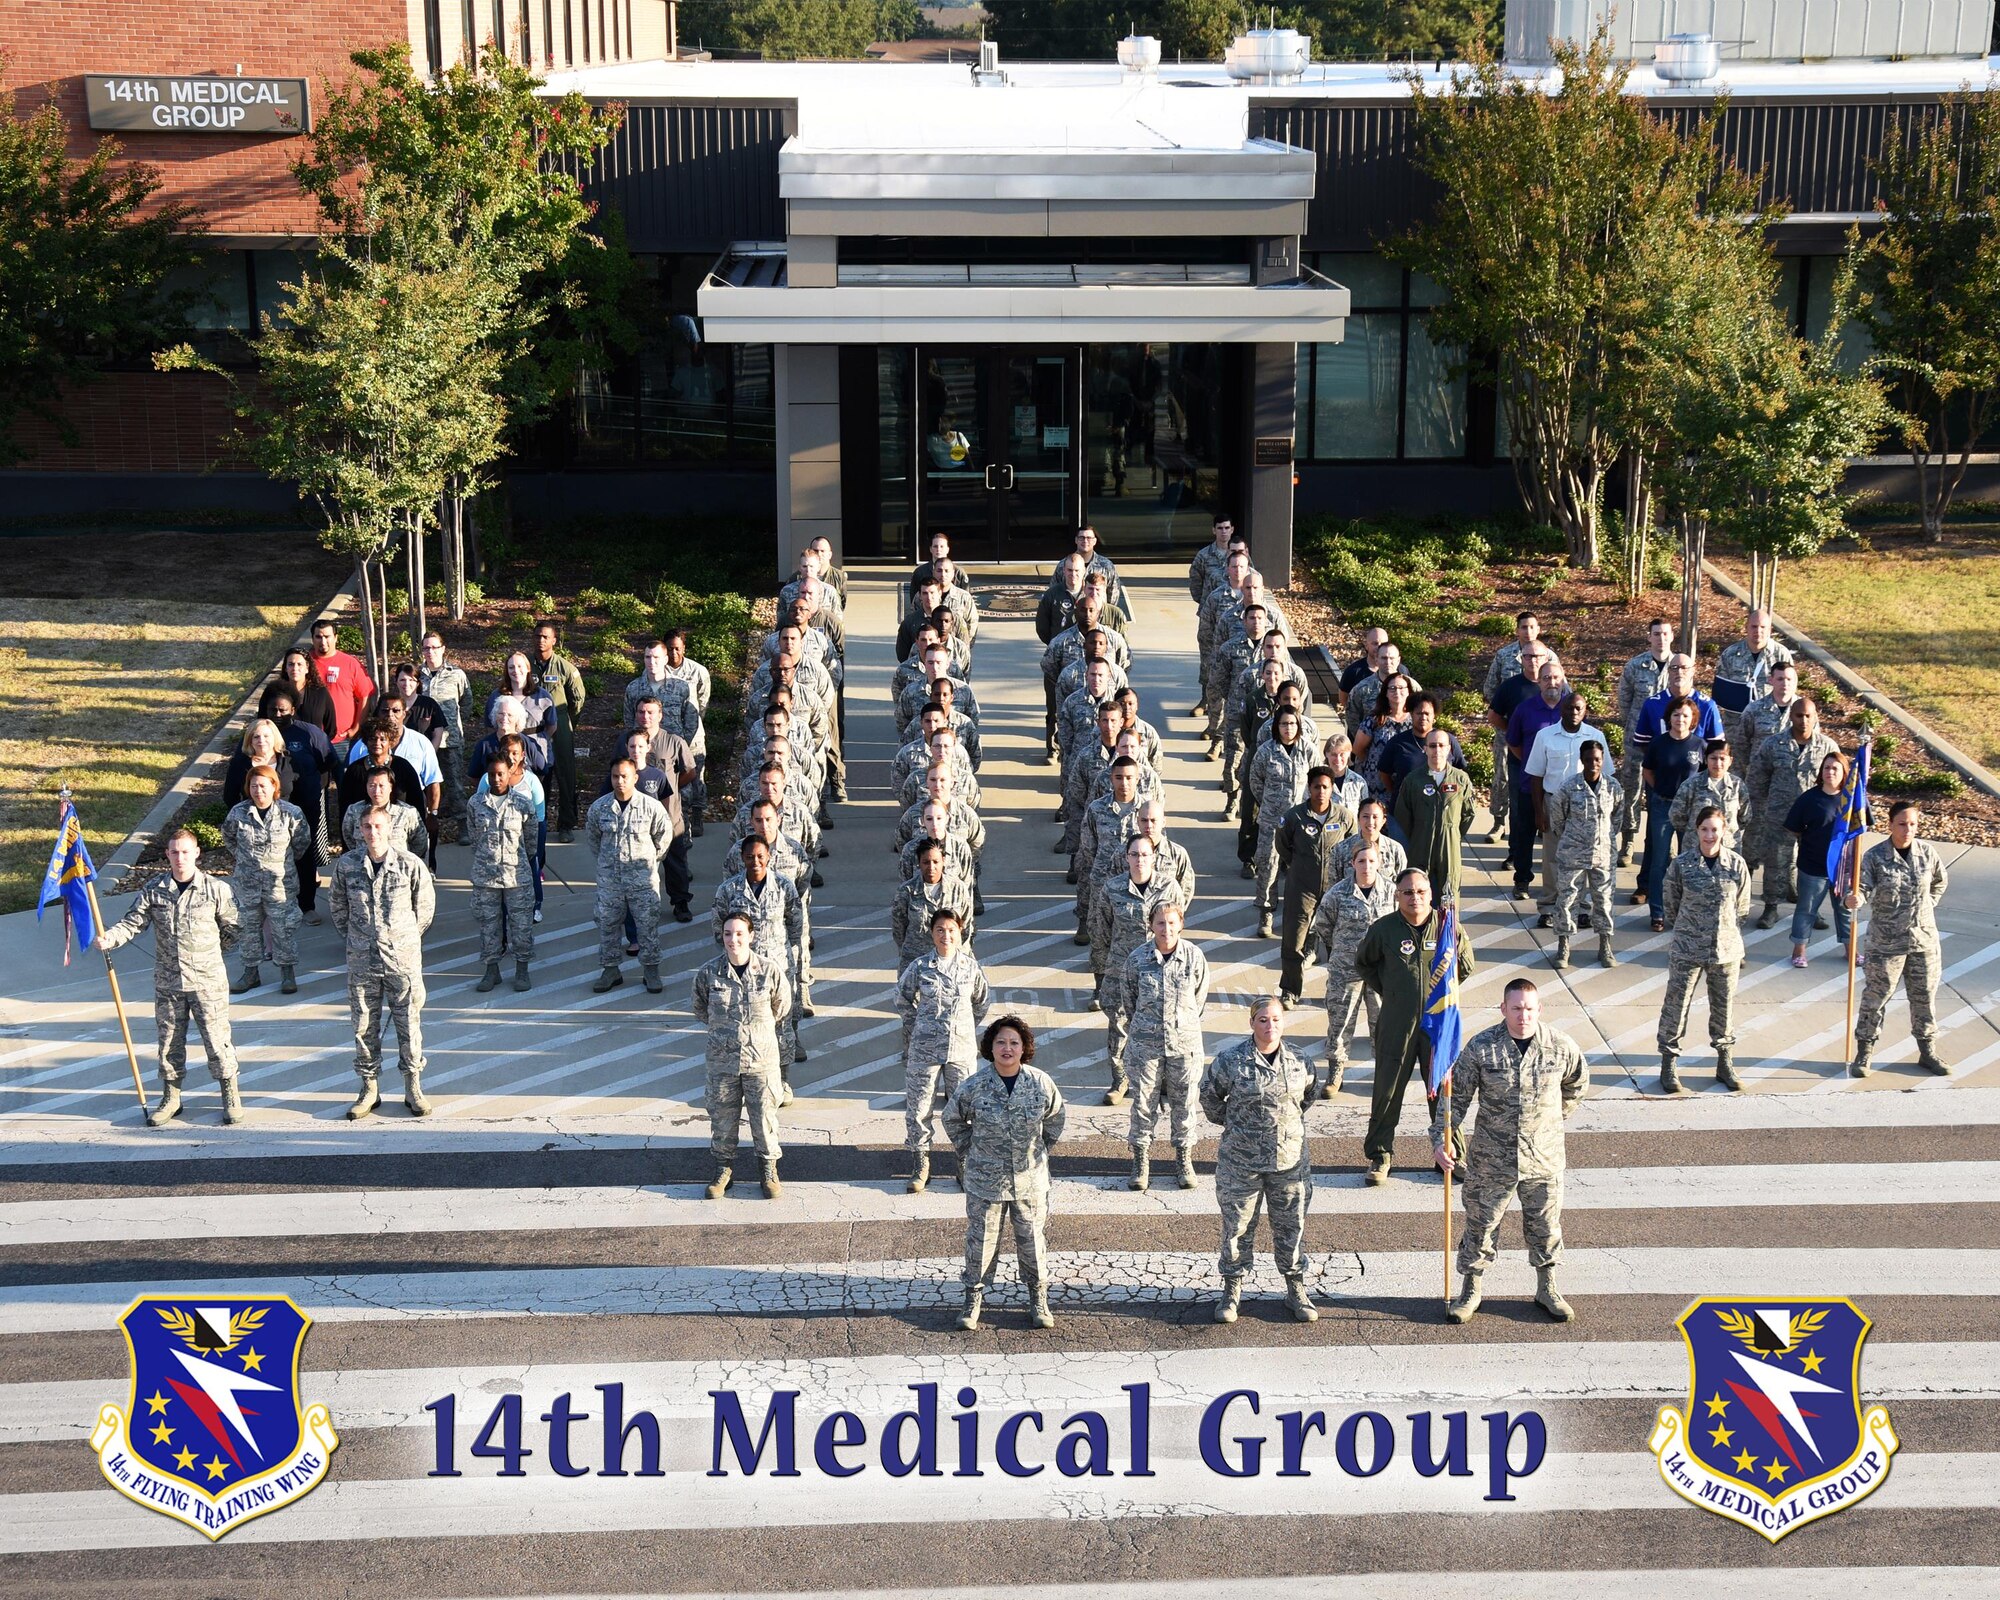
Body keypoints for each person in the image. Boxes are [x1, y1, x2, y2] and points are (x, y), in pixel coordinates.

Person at [1434, 978, 1588, 1324]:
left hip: (1543, 1158)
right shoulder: (1482, 1047)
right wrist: (1440, 1141)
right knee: (1481, 1226)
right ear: (1503, 1009)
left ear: (1539, 1009)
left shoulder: (1560, 1046)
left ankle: (1547, 1287)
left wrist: (1551, 1119)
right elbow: (1453, 1100)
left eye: (1529, 1008)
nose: (1523, 1016)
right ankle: (1471, 1288)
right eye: (1516, 1008)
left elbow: (1577, 1084)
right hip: (1492, 1160)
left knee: (1545, 1226)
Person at [98, 828, 243, 1126]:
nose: (180, 858)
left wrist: (209, 955)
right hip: (169, 983)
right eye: (174, 852)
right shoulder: (154, 889)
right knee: (168, 1043)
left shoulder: (216, 889)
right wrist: (110, 938)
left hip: (207, 982)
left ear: (197, 853)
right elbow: (133, 923)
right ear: (167, 854)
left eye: (186, 851)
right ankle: (171, 1096)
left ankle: (230, 1094)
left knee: (217, 1041)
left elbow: (234, 927)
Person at [943, 1016, 1067, 1332]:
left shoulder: (1040, 1083)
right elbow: (952, 1120)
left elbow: (1055, 1119)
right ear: (991, 1048)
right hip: (986, 1182)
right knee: (980, 1243)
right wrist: (971, 1152)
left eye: (1014, 1042)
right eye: (1000, 1042)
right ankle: (972, 1300)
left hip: (1030, 1181)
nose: (1007, 1048)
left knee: (1032, 1242)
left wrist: (1038, 1152)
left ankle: (1038, 1299)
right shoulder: (973, 1086)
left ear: (1024, 1048)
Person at [1200, 997, 1319, 1325]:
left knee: (1291, 1227)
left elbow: (1307, 1097)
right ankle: (1232, 1288)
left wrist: (1281, 1128)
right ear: (1252, 1023)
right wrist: (1239, 1125)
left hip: (1289, 1162)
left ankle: (1296, 1289)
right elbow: (1210, 1097)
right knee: (1236, 1229)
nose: (1270, 1026)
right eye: (1263, 1020)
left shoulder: (1300, 1060)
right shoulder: (1232, 1061)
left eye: (1276, 1020)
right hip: (1241, 1163)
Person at [1353, 869, 1475, 1184]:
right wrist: (1392, 991)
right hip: (1396, 1023)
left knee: (1444, 1091)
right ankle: (1380, 1156)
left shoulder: (1449, 928)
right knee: (1387, 1091)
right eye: (1408, 892)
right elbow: (1363, 963)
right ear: (1397, 896)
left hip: (1437, 1027)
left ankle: (1450, 1154)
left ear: (1430, 894)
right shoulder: (1384, 930)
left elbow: (1465, 966)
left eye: (1421, 891)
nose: (1415, 897)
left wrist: (1440, 998)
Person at [328, 807, 437, 1119]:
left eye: (378, 826)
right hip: (362, 961)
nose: (372, 832)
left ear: (389, 829)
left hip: (401, 961)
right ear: (360, 831)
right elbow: (338, 907)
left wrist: (403, 940)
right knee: (363, 1027)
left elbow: (424, 908)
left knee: (409, 1025)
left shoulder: (409, 864)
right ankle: (368, 1087)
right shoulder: (347, 865)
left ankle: (413, 1086)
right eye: (367, 827)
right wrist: (357, 938)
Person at [1847, 802, 1951, 1078]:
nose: (1907, 829)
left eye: (1913, 824)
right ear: (1890, 825)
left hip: (1923, 942)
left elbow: (1940, 881)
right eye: (1902, 824)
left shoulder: (1927, 854)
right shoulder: (1875, 857)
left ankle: (1927, 1051)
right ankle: (1864, 1051)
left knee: (1924, 998)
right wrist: (1855, 898)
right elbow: (1862, 887)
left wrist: (1929, 903)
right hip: (1886, 945)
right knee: (1876, 998)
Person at [694, 910, 791, 1200]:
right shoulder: (708, 973)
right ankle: (724, 1170)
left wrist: (753, 1036)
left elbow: (781, 1008)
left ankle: (768, 1170)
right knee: (722, 1119)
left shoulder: (770, 971)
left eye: (739, 934)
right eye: (727, 934)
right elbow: (701, 1011)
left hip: (761, 1061)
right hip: (722, 1062)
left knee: (764, 1119)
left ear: (751, 936)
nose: (733, 940)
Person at [1657, 807, 1753, 1094]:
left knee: (1724, 1009)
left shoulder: (1736, 865)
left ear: (1724, 831)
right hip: (1687, 948)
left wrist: (1723, 932)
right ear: (1696, 831)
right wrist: (1690, 930)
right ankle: (1669, 1064)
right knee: (1676, 1006)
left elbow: (1742, 908)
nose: (1710, 835)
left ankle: (1724, 1063)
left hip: (1726, 951)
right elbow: (1671, 903)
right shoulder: (1682, 865)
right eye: (1704, 829)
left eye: (1715, 829)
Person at [897, 909, 990, 1194]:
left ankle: (964, 1163)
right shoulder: (920, 966)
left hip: (960, 1049)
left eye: (951, 929)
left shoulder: (970, 967)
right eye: (940, 929)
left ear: (960, 932)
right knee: (919, 1109)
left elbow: (981, 1002)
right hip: (924, 1050)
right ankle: (921, 1164)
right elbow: (902, 999)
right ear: (932, 933)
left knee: (964, 1110)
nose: (946, 935)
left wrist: (962, 1027)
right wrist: (920, 1025)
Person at [1123, 900, 1208, 1192]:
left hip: (1184, 1046)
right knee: (1143, 1105)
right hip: (1146, 1048)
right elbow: (1129, 1001)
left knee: (1185, 1105)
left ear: (1181, 924)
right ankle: (1141, 1161)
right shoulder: (1137, 959)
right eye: (1160, 923)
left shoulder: (1195, 958)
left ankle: (1184, 1160)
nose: (1166, 929)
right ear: (1151, 925)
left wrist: (1179, 1027)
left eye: (1172, 923)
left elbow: (1199, 1001)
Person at [1093, 835, 1184, 1101]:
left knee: (1160, 1023)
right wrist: (1102, 969)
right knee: (1120, 1024)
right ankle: (1120, 1080)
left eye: (1145, 855)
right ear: (1126, 858)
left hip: (1161, 969)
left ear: (1154, 857)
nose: (1140, 860)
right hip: (1122, 968)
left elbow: (1177, 925)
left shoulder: (1169, 887)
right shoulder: (1112, 888)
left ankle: (1162, 1079)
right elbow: (1101, 930)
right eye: (1134, 855)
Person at [712, 837, 808, 1086]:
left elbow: (795, 922)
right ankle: (745, 1075)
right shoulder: (729, 890)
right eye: (749, 857)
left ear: (769, 857)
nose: (755, 861)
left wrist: (790, 954)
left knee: (783, 1022)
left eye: (760, 856)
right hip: (743, 969)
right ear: (742, 859)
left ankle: (782, 1081)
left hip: (778, 964)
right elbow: (719, 925)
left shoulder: (784, 886)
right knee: (745, 1020)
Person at [1306, 842, 1395, 1099]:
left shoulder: (1391, 892)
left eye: (1371, 861)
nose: (1366, 866)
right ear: (1352, 864)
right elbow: (1323, 925)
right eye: (1361, 861)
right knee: (1340, 1022)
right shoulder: (1337, 893)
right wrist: (1343, 949)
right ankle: (1336, 1073)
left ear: (1379, 863)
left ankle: (1383, 1074)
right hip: (1346, 969)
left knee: (1382, 1024)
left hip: (1380, 971)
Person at [1746, 698, 1840, 929]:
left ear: (1816, 716)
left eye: (1808, 715)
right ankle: (1771, 907)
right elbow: (1758, 778)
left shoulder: (1828, 747)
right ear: (1791, 716)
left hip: (1816, 818)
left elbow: (1840, 778)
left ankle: (1812, 910)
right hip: (1780, 815)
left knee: (1812, 865)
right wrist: (1759, 808)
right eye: (1799, 715)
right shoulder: (1773, 744)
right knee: (1775, 861)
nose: (1804, 720)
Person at [221, 766, 311, 996]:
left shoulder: (291, 813)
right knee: (248, 929)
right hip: (247, 885)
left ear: (274, 787)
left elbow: (301, 843)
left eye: (263, 785)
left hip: (280, 885)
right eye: (253, 786)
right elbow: (229, 838)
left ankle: (287, 973)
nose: (258, 791)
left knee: (284, 929)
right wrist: (246, 861)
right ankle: (251, 973)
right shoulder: (238, 813)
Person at [1524, 689, 1605, 928]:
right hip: (1554, 802)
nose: (1573, 712)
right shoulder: (1545, 736)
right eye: (1569, 708)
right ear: (1561, 709)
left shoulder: (1596, 736)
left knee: (1584, 859)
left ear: (1585, 711)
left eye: (1578, 708)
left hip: (1586, 805)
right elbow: (1536, 776)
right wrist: (1539, 812)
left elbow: (1605, 776)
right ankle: (1549, 907)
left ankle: (1581, 908)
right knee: (1552, 858)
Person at [1275, 767, 1355, 1005]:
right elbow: (1283, 846)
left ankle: (1335, 991)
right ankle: (1290, 990)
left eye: (1326, 787)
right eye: (1316, 787)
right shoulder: (1294, 817)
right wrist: (1300, 867)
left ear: (1332, 789)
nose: (1321, 792)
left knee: (1336, 942)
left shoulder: (1343, 817)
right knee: (1294, 941)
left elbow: (1352, 846)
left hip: (1335, 890)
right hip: (1302, 889)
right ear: (1309, 788)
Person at [1546, 738, 1621, 970]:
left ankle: (1605, 946)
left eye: (1597, 760)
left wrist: (1603, 839)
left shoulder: (1613, 787)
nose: (1593, 764)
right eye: (1588, 760)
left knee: (1604, 902)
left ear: (1603, 760)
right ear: (1582, 760)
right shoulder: (1569, 787)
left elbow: (1616, 819)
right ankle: (1563, 947)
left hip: (1603, 855)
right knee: (1567, 901)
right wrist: (1574, 839)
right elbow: (1557, 819)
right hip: (1573, 855)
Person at [466, 754, 538, 993]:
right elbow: (475, 839)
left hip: (517, 876)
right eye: (492, 774)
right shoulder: (476, 803)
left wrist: (516, 861)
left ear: (510, 773)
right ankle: (491, 969)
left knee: (521, 924)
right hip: (486, 876)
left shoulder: (522, 804)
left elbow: (531, 841)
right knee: (489, 925)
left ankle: (522, 969)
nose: (496, 779)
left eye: (501, 774)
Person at [1784, 750, 1859, 966]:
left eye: (1835, 768)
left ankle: (1850, 950)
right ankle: (1799, 951)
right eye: (1826, 767)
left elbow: (1862, 827)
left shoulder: (1852, 799)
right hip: (1813, 867)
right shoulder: (1809, 798)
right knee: (1806, 910)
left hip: (1843, 868)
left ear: (1844, 771)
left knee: (1845, 910)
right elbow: (1794, 827)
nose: (1830, 772)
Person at [1613, 619, 1677, 865]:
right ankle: (1628, 842)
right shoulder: (1635, 666)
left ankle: (1666, 843)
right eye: (1656, 634)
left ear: (1671, 637)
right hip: (1638, 742)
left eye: (1665, 633)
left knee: (1668, 792)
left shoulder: (1678, 666)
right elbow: (1624, 704)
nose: (1661, 638)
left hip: (1671, 743)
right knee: (1632, 791)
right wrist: (1635, 728)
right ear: (1649, 637)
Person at [1641, 696, 1707, 929]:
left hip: (1691, 812)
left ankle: (1684, 910)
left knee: (1688, 861)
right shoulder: (1658, 743)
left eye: (1686, 715)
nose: (1680, 719)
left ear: (1693, 721)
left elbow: (1706, 775)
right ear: (1669, 717)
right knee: (1659, 862)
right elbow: (1647, 770)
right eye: (1676, 714)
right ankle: (1657, 912)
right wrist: (1658, 789)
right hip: (1662, 806)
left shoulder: (1699, 745)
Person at [1249, 706, 1316, 937]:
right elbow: (1255, 782)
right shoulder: (1266, 752)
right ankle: (1266, 913)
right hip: (1271, 820)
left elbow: (1316, 782)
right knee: (1268, 865)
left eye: (1293, 724)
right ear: (1276, 727)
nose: (1289, 728)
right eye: (1284, 724)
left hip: (1301, 820)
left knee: (1300, 867)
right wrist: (1271, 803)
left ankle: (1297, 914)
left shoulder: (1308, 750)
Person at [1504, 659, 1569, 898]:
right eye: (1546, 678)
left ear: (1563, 680)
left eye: (1555, 678)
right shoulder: (1525, 709)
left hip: (1562, 788)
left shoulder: (1571, 708)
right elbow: (1514, 742)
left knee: (1560, 838)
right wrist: (1534, 765)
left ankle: (1560, 882)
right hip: (1530, 784)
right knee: (1525, 833)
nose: (1551, 682)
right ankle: (1522, 879)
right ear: (1539, 682)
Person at [1392, 729, 1476, 905]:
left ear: (1449, 749)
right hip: (1420, 845)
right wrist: (1421, 831)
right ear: (1425, 749)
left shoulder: (1461, 780)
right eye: (1432, 746)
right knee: (1418, 893)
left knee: (1449, 894)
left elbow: (1468, 814)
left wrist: (1451, 831)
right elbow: (1403, 813)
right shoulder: (1413, 780)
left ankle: (1448, 932)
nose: (1437, 750)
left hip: (1449, 846)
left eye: (1441, 745)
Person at [1481, 612, 1541, 841]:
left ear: (1539, 630)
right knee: (1502, 775)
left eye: (1532, 627)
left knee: (1539, 776)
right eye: (1523, 627)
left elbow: (1561, 689)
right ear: (1517, 630)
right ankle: (1498, 823)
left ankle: (1537, 820)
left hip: (1539, 732)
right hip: (1506, 730)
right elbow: (1490, 689)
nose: (1528, 631)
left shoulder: (1549, 656)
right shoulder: (1504, 655)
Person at [528, 621, 587, 841]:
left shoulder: (565, 668)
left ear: (554, 640)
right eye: (537, 636)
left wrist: (567, 722)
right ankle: (535, 822)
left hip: (560, 724)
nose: (540, 640)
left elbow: (578, 699)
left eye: (545, 636)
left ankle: (566, 824)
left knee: (566, 775)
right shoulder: (525, 666)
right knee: (537, 774)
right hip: (533, 727)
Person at [1712, 607, 1795, 747]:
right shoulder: (1730, 654)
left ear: (1770, 629)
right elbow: (1720, 692)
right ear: (1746, 627)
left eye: (1763, 627)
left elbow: (1790, 690)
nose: (1758, 631)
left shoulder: (1781, 654)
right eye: (1754, 626)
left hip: (1770, 729)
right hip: (1736, 728)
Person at [417, 634, 473, 838]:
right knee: (425, 784)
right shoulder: (417, 675)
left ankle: (463, 825)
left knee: (455, 784)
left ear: (443, 648)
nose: (430, 652)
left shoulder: (456, 674)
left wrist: (455, 723)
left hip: (450, 740)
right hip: (424, 740)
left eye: (434, 647)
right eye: (426, 648)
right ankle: (423, 827)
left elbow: (466, 702)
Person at [892, 840, 975, 965]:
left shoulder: (958, 889)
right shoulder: (907, 891)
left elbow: (966, 925)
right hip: (916, 961)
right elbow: (899, 928)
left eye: (936, 862)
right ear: (919, 863)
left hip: (951, 961)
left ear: (943, 861)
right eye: (926, 862)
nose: (931, 867)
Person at [308, 617, 374, 756]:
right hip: (311, 737)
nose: (323, 641)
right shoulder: (304, 663)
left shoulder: (350, 663)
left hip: (342, 738)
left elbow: (364, 696)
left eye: (327, 636)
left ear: (335, 638)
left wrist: (356, 727)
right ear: (313, 639)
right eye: (318, 637)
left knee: (343, 777)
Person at [1669, 738, 1746, 852]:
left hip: (1729, 848)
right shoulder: (1691, 784)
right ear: (1706, 759)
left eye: (1722, 759)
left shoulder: (1737, 785)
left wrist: (1727, 832)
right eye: (1713, 758)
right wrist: (1695, 832)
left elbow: (1745, 816)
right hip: (1696, 847)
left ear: (1730, 761)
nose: (1718, 763)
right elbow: (1676, 815)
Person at [341, 765, 426, 857]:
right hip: (364, 865)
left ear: (391, 787)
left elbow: (420, 842)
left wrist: (406, 862)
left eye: (381, 786)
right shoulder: (354, 810)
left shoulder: (407, 812)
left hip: (399, 867)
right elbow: (348, 837)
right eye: (372, 786)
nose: (377, 791)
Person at [263, 646, 338, 745]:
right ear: (285, 668)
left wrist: (319, 746)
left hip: (312, 749)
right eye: (291, 664)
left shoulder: (321, 693)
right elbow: (262, 723)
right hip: (280, 748)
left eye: (299, 664)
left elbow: (331, 728)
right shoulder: (272, 692)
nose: (295, 668)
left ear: (307, 668)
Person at [1186, 515, 1237, 608]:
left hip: (1234, 610)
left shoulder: (1239, 554)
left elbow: (1249, 576)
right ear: (1214, 530)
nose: (1224, 531)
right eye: (1220, 528)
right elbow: (1195, 582)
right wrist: (1205, 601)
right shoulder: (1203, 555)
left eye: (1227, 528)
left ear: (1232, 529)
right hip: (1209, 611)